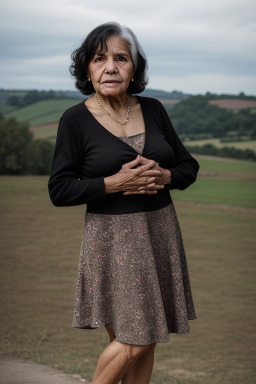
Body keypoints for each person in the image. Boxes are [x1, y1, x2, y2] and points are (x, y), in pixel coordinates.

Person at [48, 22, 199, 384]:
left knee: (145, 343)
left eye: (121, 58)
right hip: (112, 241)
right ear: (88, 67)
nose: (110, 67)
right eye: (100, 59)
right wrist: (113, 183)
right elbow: (60, 189)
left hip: (160, 231)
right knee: (136, 338)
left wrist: (167, 177)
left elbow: (188, 167)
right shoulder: (75, 120)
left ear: (134, 69)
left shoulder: (154, 108)